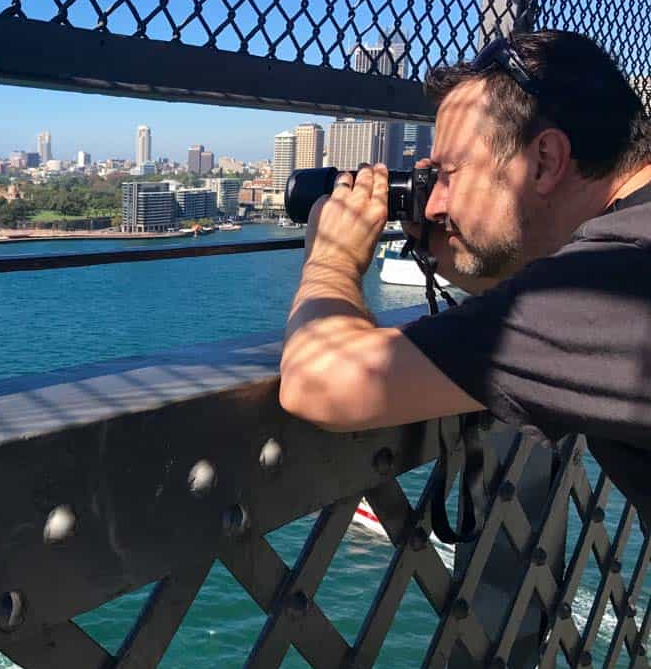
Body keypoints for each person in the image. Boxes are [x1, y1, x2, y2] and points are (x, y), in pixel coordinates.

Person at [279, 30, 651, 521]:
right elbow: (523, 290)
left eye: (449, 176)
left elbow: (319, 381)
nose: (432, 201)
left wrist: (332, 259)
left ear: (544, 161)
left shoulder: (611, 283)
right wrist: (452, 248)